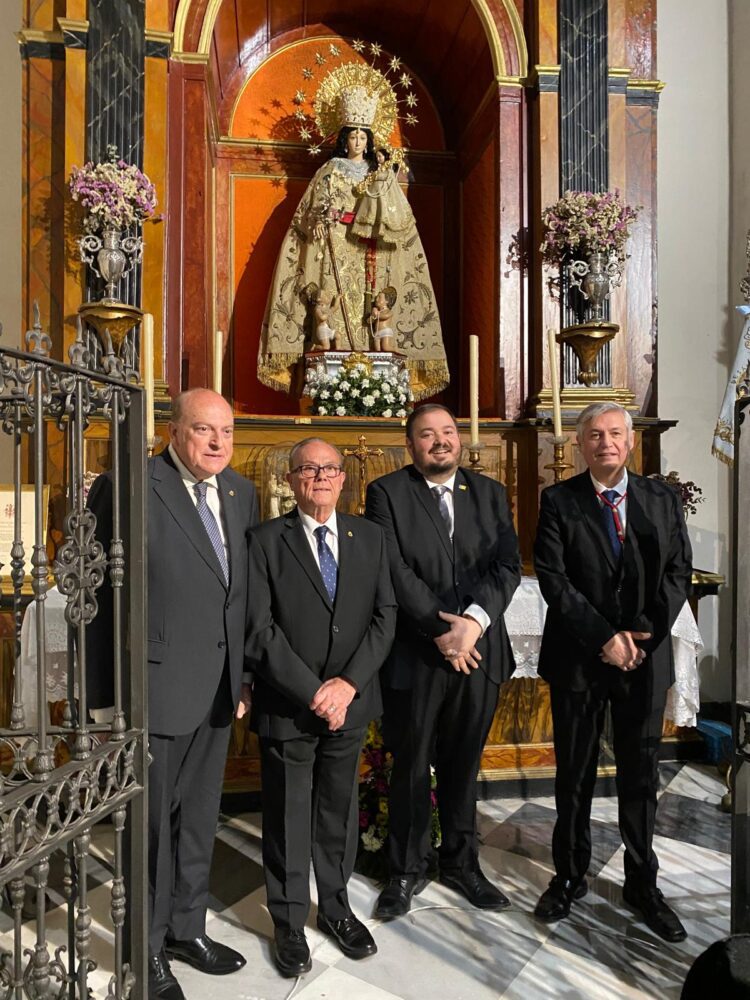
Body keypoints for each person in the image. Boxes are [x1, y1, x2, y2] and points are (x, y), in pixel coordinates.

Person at [87, 388, 259, 1000]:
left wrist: (243, 678)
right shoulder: (131, 484)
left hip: (217, 691)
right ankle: (147, 948)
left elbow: (242, 598)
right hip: (155, 689)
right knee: (151, 829)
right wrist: (103, 700)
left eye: (227, 431)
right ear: (173, 429)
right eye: (203, 430)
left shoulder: (240, 493)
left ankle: (188, 928)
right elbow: (99, 602)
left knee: (199, 822)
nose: (217, 442)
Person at [533, 401, 692, 942]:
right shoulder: (558, 500)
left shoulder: (660, 499)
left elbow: (678, 571)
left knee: (641, 775)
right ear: (581, 443)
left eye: (616, 433)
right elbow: (554, 581)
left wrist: (642, 632)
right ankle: (569, 875)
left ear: (630, 441)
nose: (606, 442)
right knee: (573, 773)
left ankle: (643, 884)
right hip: (581, 658)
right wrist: (605, 638)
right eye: (595, 434)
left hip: (643, 659)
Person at [240, 437, 396, 978]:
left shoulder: (369, 537)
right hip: (291, 706)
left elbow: (385, 617)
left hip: (349, 704)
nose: (322, 477)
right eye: (310, 469)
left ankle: (334, 907)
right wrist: (313, 691)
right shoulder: (263, 541)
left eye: (330, 468)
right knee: (286, 815)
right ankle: (286, 920)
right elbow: (259, 631)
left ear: (343, 477)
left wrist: (347, 685)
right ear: (291, 478)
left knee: (337, 810)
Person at [365, 404, 521, 918]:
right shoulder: (387, 493)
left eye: (448, 432)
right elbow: (393, 569)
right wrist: (440, 629)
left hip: (477, 653)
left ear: (459, 440)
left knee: (462, 764)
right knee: (410, 765)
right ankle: (406, 870)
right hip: (418, 654)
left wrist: (472, 623)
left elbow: (506, 567)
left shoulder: (490, 493)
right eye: (427, 435)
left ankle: (461, 864)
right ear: (410, 445)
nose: (440, 441)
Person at [258, 111, 448, 400]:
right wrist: (322, 221)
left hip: (371, 246)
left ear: (369, 140)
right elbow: (311, 211)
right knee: (332, 299)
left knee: (376, 301)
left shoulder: (378, 171)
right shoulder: (330, 169)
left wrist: (385, 177)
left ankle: (375, 356)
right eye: (352, 136)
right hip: (336, 245)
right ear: (344, 140)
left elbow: (396, 215)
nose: (357, 142)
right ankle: (334, 352)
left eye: (362, 136)